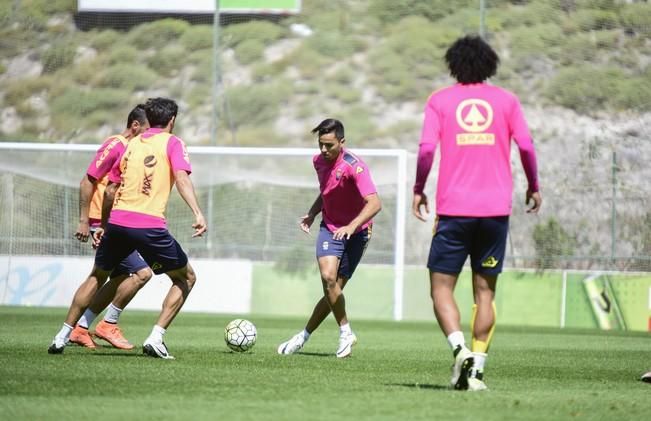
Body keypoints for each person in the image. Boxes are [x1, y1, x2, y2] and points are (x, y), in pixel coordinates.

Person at [412, 35, 542, 391]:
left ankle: (459, 350)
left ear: (453, 65)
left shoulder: (440, 101)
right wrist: (533, 185)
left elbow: (426, 150)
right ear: (490, 65)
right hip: (495, 212)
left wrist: (419, 188)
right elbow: (527, 147)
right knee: (485, 294)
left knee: (441, 289)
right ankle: (478, 371)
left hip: (455, 211)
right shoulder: (507, 101)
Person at [49, 97, 207, 359]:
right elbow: (181, 177)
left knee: (98, 275)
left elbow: (111, 190)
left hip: (119, 222)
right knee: (185, 278)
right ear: (172, 121)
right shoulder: (173, 142)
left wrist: (107, 225)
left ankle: (62, 336)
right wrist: (198, 213)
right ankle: (156, 338)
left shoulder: (130, 145)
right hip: (149, 225)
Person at [50, 105, 153, 353]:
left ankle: (78, 329)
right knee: (140, 274)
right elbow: (88, 180)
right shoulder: (116, 144)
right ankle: (102, 325)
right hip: (103, 223)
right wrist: (86, 220)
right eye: (147, 130)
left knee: (112, 277)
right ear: (135, 126)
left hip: (116, 222)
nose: (149, 137)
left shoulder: (134, 150)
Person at [277, 118, 381, 358]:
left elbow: (375, 203)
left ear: (342, 142)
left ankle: (302, 336)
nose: (323, 150)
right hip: (330, 226)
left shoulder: (355, 167)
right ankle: (346, 332)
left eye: (329, 145)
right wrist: (313, 213)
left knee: (333, 289)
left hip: (359, 231)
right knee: (327, 277)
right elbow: (326, 192)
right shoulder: (318, 162)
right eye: (320, 144)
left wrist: (352, 225)